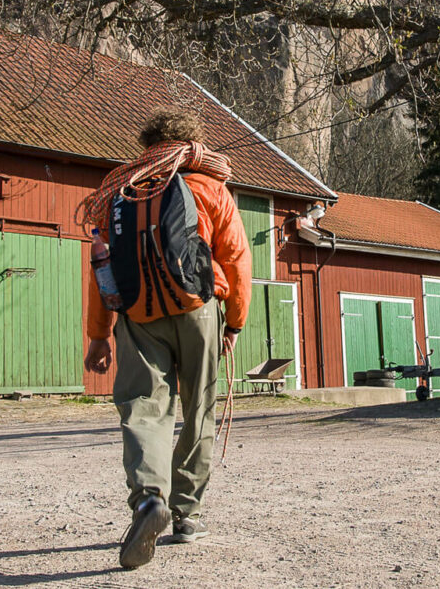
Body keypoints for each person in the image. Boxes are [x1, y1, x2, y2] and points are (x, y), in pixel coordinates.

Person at [80, 107, 252, 570]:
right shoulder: (210, 187)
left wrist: (99, 336)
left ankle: (148, 499)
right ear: (191, 143)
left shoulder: (120, 192)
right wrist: (234, 322)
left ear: (147, 144)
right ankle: (187, 515)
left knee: (143, 407)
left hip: (137, 315)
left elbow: (101, 266)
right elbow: (236, 259)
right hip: (199, 309)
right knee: (199, 408)